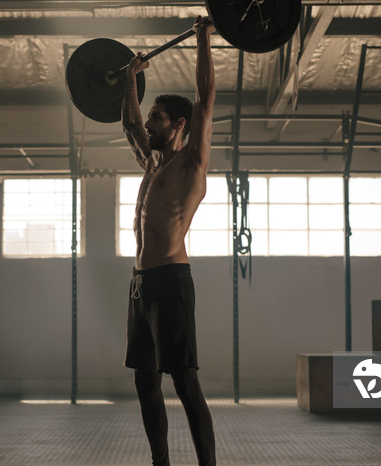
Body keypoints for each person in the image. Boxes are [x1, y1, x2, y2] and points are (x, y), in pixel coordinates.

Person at [121, 15, 216, 466]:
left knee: (183, 381)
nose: (150, 123)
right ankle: (161, 462)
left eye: (157, 117)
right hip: (141, 284)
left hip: (172, 280)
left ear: (178, 124)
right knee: (144, 380)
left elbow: (205, 98)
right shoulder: (151, 163)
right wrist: (129, 81)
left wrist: (202, 40)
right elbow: (128, 124)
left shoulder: (191, 162)